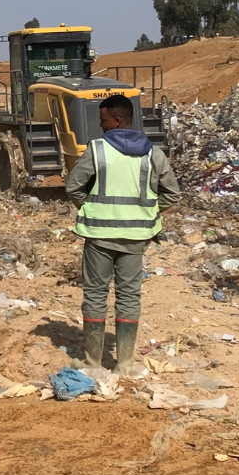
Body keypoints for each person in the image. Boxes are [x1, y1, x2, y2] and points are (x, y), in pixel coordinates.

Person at [63, 94, 181, 375]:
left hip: (100, 235)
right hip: (136, 237)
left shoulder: (97, 150)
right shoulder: (154, 153)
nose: (101, 125)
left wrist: (91, 208)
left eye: (103, 120)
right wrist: (147, 211)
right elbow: (172, 194)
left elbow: (74, 186)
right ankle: (125, 364)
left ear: (117, 120)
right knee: (129, 296)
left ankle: (93, 363)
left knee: (95, 294)